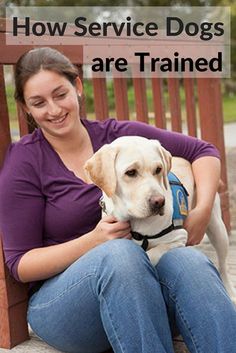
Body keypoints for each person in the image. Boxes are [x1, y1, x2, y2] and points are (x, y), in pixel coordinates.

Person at [0, 47, 235, 353]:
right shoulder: (24, 163)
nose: (54, 109)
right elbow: (20, 264)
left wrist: (202, 209)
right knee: (120, 255)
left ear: (78, 88)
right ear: (26, 108)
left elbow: (203, 151)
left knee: (189, 260)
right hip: (65, 306)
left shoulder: (120, 137)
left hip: (142, 292)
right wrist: (94, 241)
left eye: (60, 94)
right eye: (39, 102)